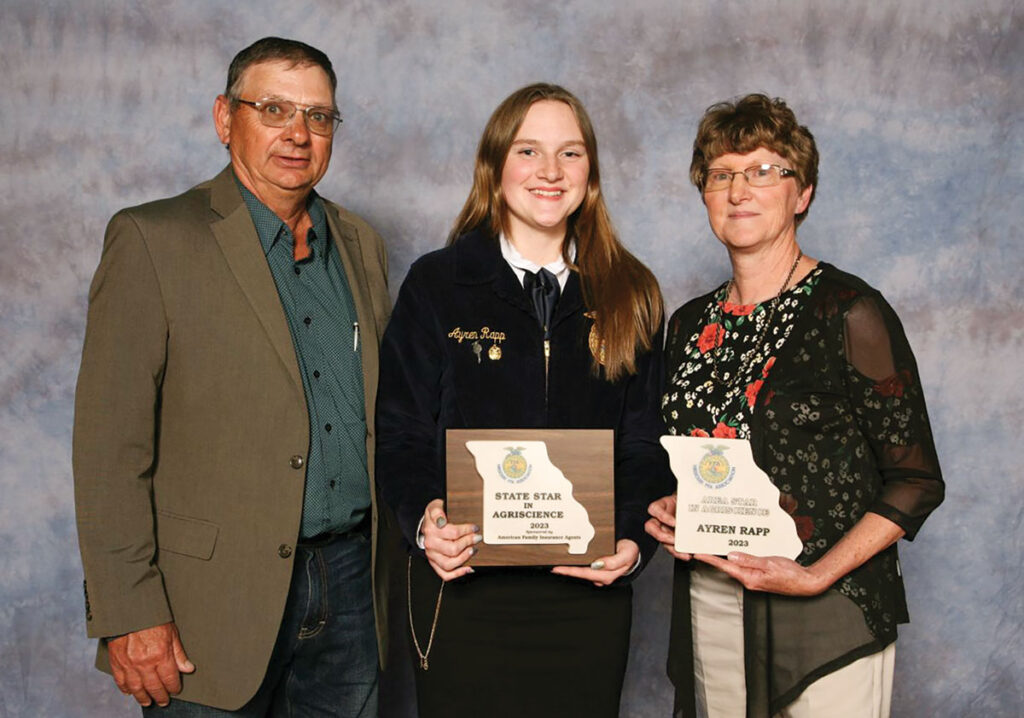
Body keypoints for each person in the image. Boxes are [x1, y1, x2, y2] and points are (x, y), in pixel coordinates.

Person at [73, 37, 395, 716]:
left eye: (318, 116)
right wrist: (129, 611)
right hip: (209, 604)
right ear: (226, 119)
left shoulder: (361, 244)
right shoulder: (154, 240)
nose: (298, 135)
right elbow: (108, 449)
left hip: (350, 587)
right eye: (273, 109)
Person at [375, 83, 672, 717]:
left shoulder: (632, 290)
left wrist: (630, 539)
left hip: (586, 596)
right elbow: (399, 432)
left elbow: (645, 443)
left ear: (590, 171)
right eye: (528, 150)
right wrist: (425, 517)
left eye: (570, 153)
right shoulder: (437, 283)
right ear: (495, 165)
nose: (549, 172)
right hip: (463, 590)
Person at [646, 93, 945, 718]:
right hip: (713, 594)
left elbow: (915, 482)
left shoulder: (849, 311)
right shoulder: (686, 324)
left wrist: (813, 576)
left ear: (801, 192)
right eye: (720, 174)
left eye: (762, 171)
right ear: (703, 193)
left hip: (826, 606)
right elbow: (697, 459)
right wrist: (678, 507)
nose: (738, 191)